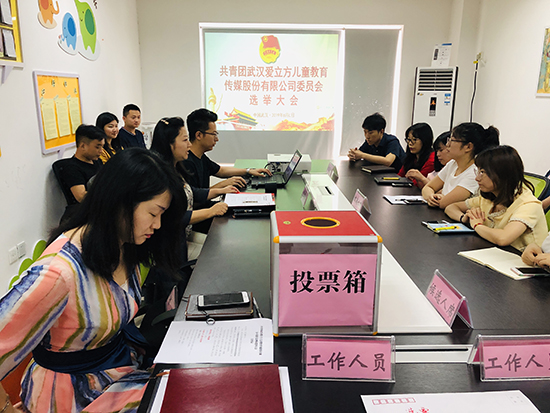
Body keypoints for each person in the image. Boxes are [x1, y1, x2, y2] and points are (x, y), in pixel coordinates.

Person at [0, 148, 186, 412]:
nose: (156, 225)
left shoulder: (123, 246)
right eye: (153, 214)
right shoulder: (59, 272)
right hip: (71, 396)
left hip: (115, 372)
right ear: (120, 203)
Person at [150, 117, 238, 260]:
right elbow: (172, 218)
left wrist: (219, 191)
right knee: (221, 252)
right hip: (171, 249)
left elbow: (191, 191)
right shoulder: (159, 176)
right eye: (185, 140)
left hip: (183, 236)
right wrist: (211, 211)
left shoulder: (175, 167)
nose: (189, 145)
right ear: (169, 144)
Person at [445, 146, 547, 251]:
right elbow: (451, 207)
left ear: (502, 174)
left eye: (482, 172)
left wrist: (477, 225)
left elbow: (503, 238)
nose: (477, 178)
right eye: (478, 171)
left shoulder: (528, 204)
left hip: (522, 258)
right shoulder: (490, 197)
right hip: (495, 253)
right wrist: (464, 218)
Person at [182, 108, 272, 190]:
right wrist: (224, 184)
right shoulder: (187, 163)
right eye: (213, 134)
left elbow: (221, 171)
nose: (216, 139)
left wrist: (248, 171)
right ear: (199, 135)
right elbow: (194, 198)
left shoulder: (201, 157)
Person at [422, 122, 498, 209]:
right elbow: (428, 187)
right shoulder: (453, 164)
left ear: (468, 147)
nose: (447, 144)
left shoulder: (475, 172)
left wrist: (437, 198)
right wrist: (431, 196)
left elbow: (443, 203)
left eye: (452, 140)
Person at [57, 124, 104, 204]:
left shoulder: (97, 161)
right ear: (83, 146)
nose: (101, 151)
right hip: (86, 209)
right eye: (97, 147)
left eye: (102, 147)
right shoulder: (72, 168)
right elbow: (81, 197)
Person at [397, 123, 435, 188]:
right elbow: (400, 176)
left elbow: (416, 184)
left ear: (425, 140)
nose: (410, 143)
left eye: (414, 140)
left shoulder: (432, 159)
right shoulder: (412, 157)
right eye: (408, 140)